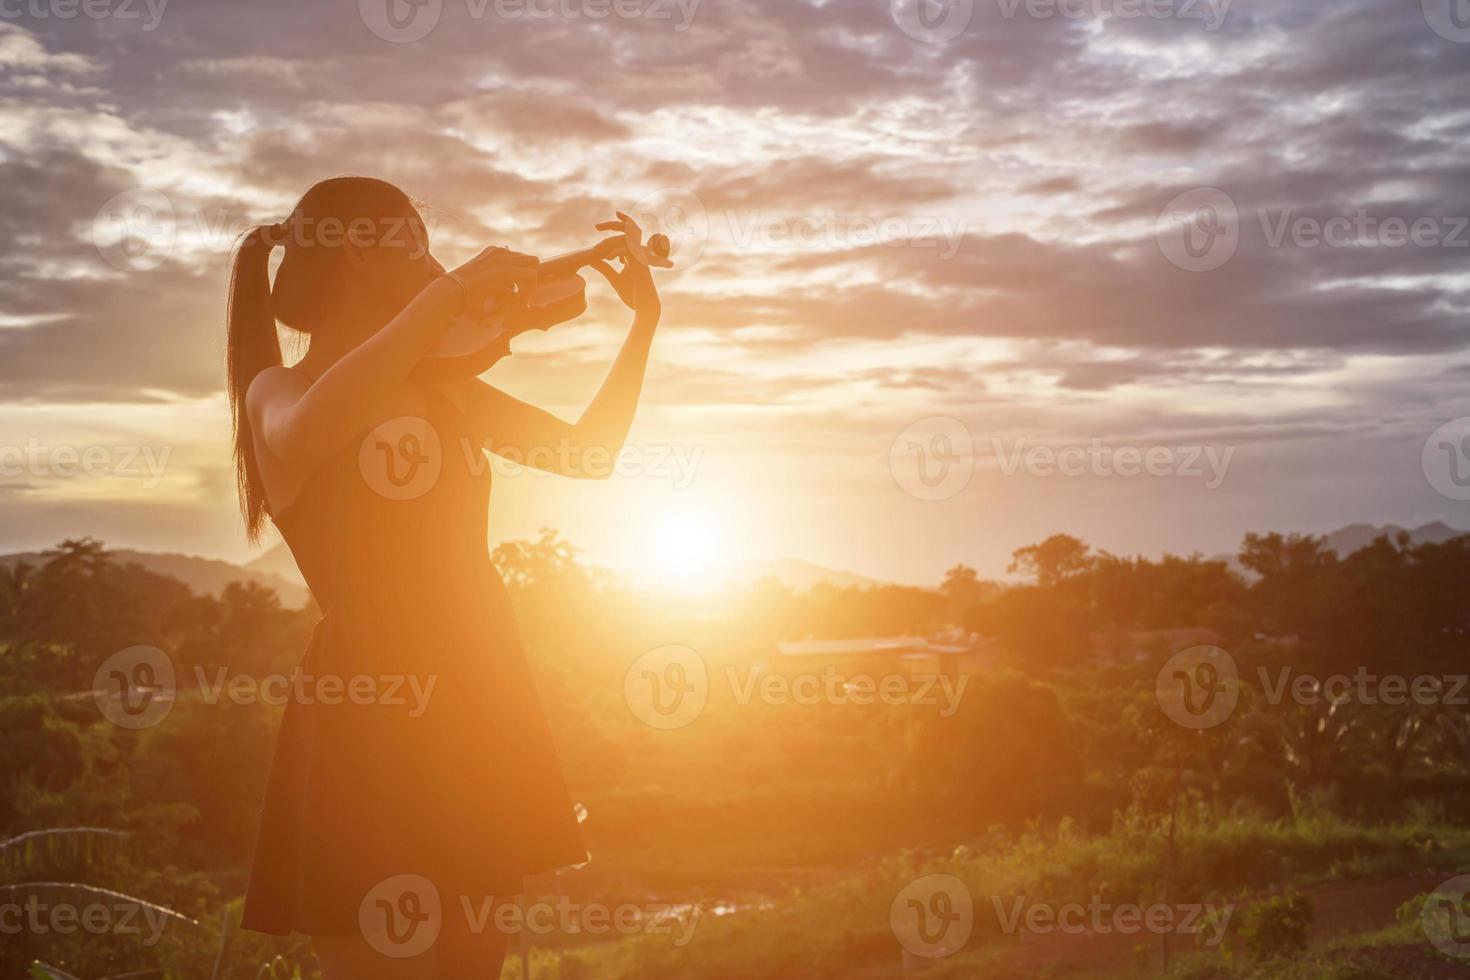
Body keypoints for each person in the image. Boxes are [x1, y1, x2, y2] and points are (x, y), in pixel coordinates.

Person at [226, 175, 661, 978]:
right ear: (357, 250)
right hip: (367, 719)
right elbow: (317, 422)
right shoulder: (277, 392)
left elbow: (588, 455)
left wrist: (644, 327)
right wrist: (457, 290)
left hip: (475, 704)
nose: (435, 266)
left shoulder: (445, 387)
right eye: (416, 244)